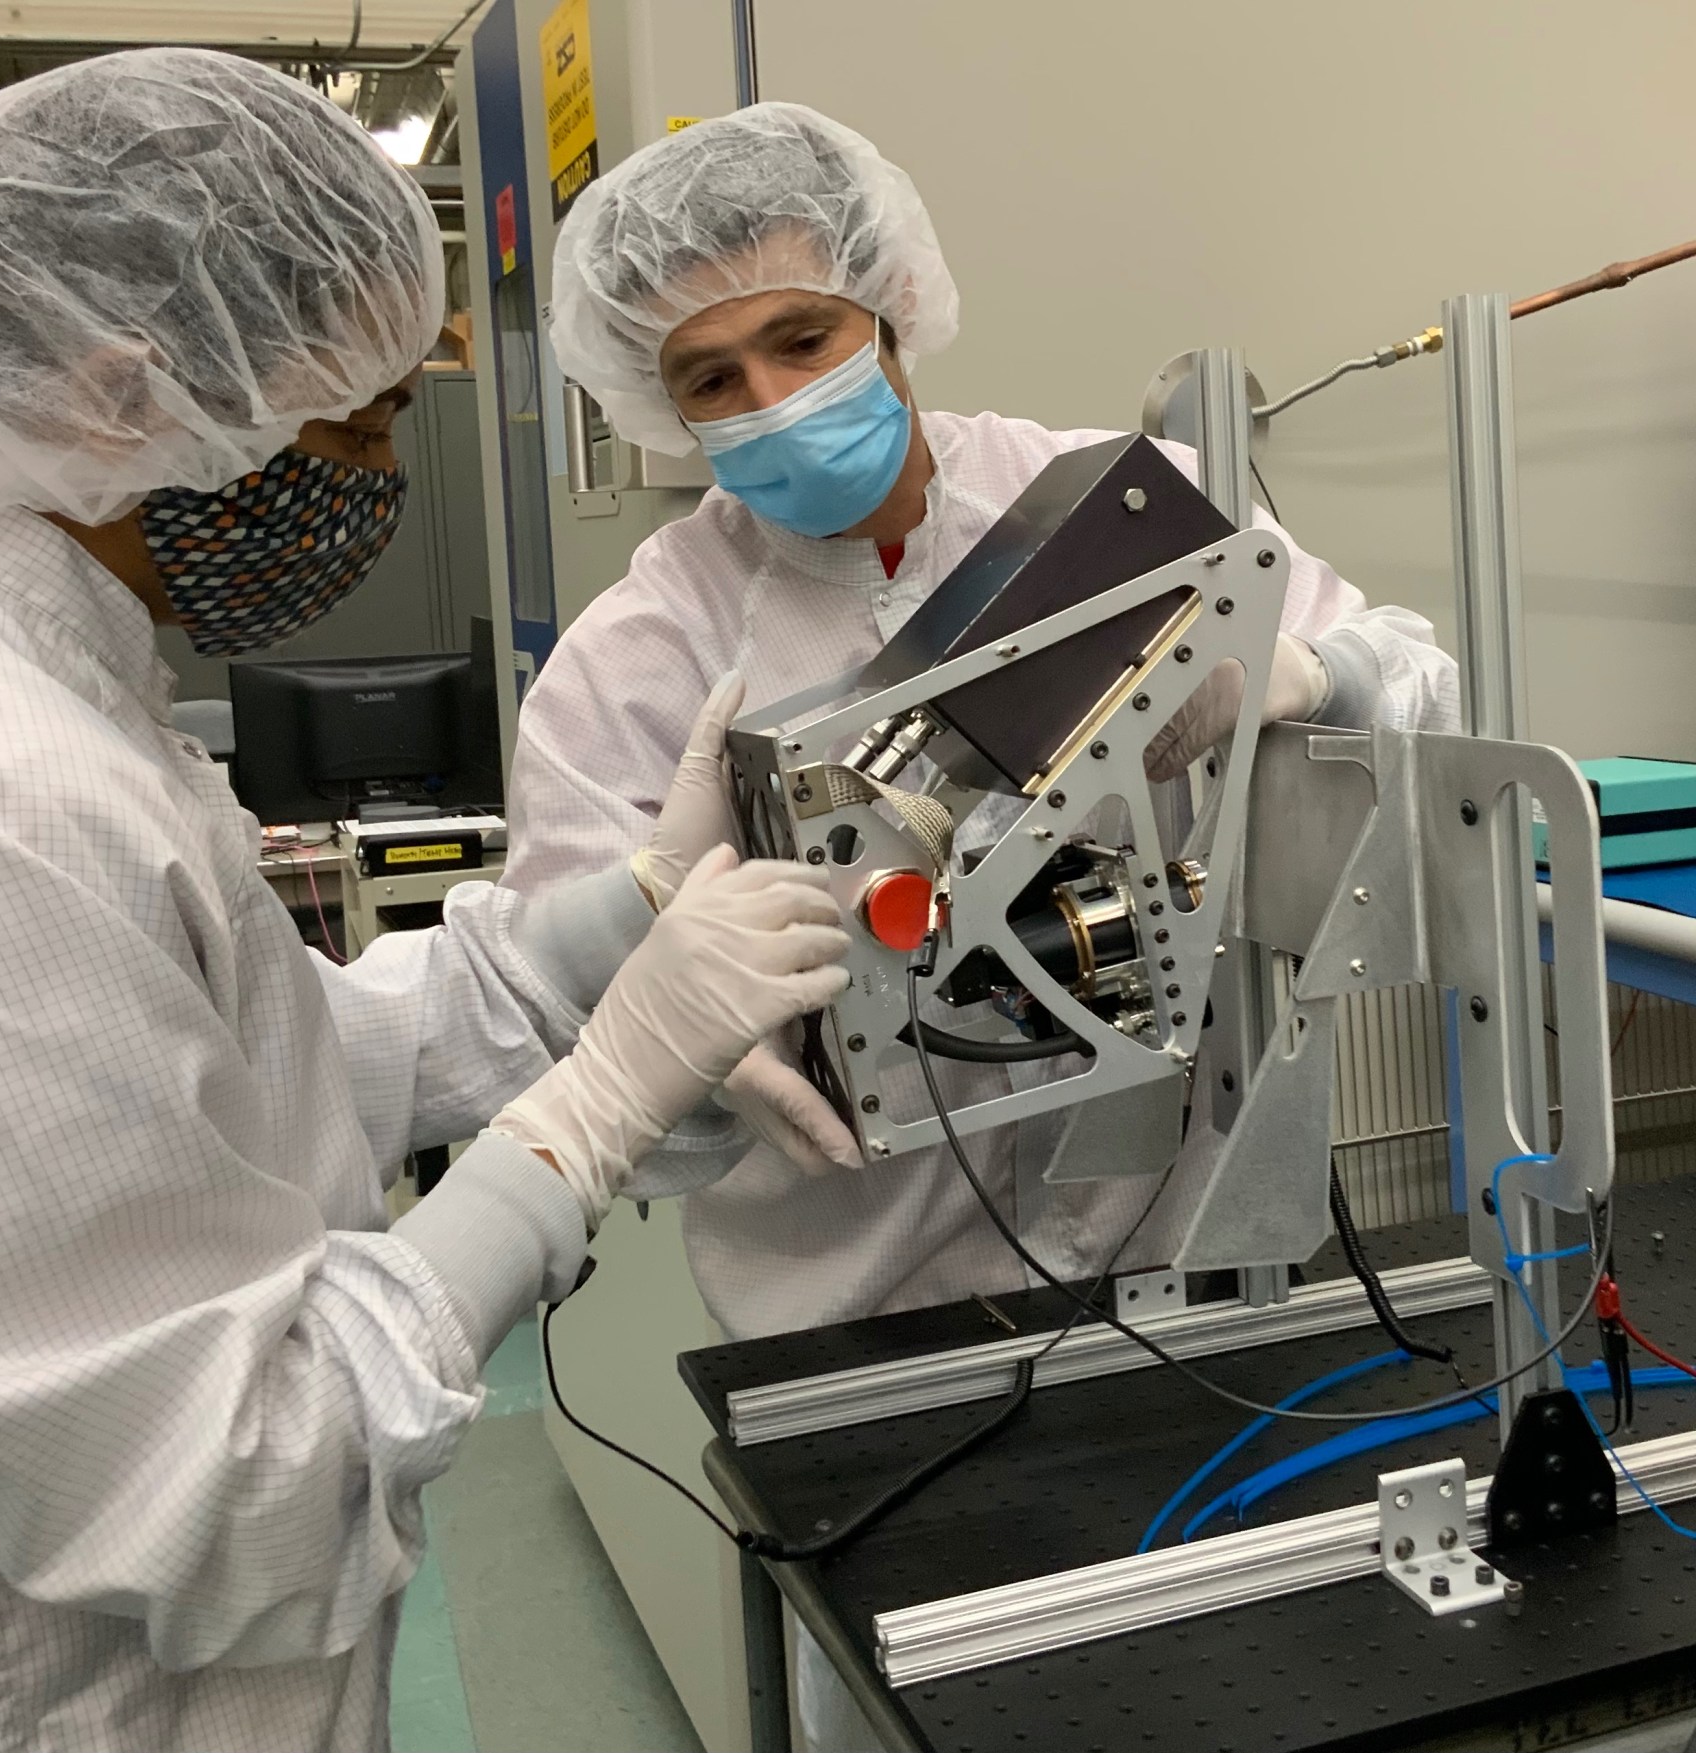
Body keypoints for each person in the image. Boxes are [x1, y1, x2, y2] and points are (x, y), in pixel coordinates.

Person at [0, 52, 852, 1753]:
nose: (374, 477)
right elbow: (243, 1474)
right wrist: (588, 1114)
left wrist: (612, 922)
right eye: (351, 424)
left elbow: (234, 1067)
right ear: (125, 392)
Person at [507, 102, 1462, 1749]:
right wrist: (689, 1048)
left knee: (1240, 1686)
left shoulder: (1098, 505)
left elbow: (1419, 678)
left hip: (1192, 1268)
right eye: (708, 378)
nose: (771, 403)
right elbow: (549, 1016)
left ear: (889, 307)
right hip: (849, 1333)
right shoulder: (639, 650)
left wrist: (1301, 679)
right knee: (906, 1706)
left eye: (801, 338)